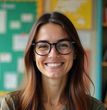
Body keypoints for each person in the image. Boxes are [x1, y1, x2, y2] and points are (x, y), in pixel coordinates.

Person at [0, 11, 106, 110]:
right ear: (33, 54)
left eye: (63, 45)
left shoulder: (95, 107)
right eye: (43, 46)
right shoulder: (11, 105)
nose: (53, 54)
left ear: (75, 53)